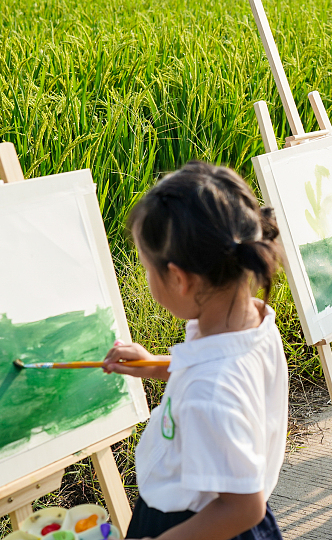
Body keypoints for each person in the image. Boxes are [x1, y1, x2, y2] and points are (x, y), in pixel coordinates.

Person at [102, 161, 287, 540]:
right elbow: (221, 375)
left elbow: (243, 507)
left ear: (179, 279)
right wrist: (155, 366)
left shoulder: (211, 390)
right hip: (210, 512)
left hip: (200, 523)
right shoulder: (250, 320)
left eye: (146, 268)